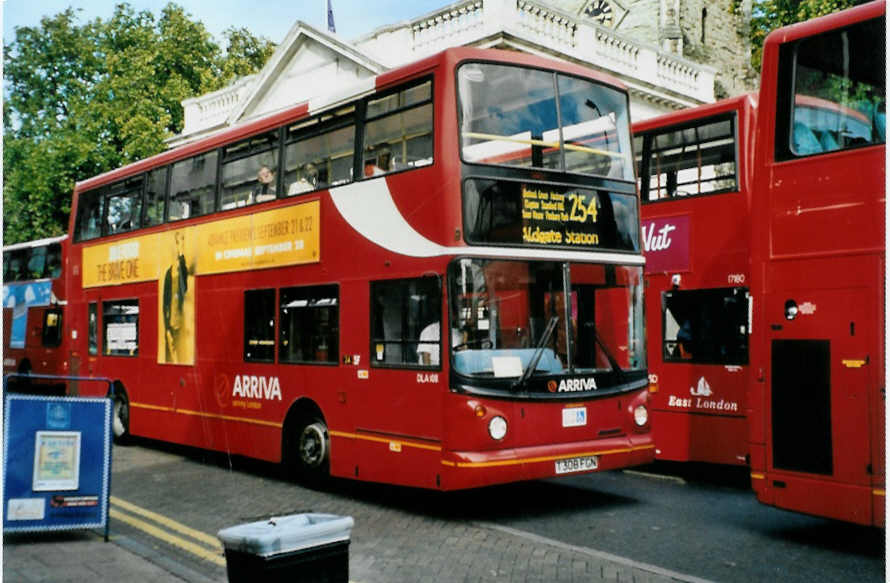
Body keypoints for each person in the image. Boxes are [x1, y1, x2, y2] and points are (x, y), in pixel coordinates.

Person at [162, 231, 189, 364]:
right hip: (171, 322)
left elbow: (184, 276)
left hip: (180, 322)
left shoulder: (182, 269)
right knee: (171, 358)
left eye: (182, 242)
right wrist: (166, 326)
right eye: (178, 243)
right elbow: (164, 302)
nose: (180, 246)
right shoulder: (168, 273)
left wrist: (181, 254)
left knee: (182, 356)